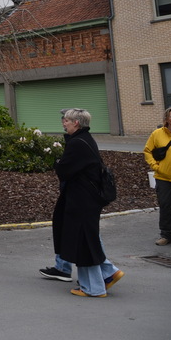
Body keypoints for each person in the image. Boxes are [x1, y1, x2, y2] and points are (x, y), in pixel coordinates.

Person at [52, 108, 125, 297]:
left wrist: (58, 163)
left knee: (83, 242)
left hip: (81, 199)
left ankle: (93, 288)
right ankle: (108, 273)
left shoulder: (78, 143)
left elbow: (64, 170)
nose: (63, 122)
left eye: (66, 120)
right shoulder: (85, 140)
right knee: (86, 239)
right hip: (86, 198)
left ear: (76, 122)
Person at [143, 106, 171, 249]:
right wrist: (156, 167)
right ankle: (166, 235)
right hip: (163, 178)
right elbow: (147, 151)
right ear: (166, 119)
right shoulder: (157, 134)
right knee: (166, 207)